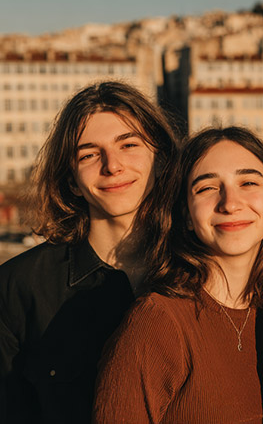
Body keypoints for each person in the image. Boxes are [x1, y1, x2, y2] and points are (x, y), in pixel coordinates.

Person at [93, 127, 263, 422]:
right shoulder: (158, 322)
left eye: (248, 182)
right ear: (187, 215)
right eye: (207, 188)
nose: (230, 203)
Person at [0, 81, 179, 423]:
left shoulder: (201, 272)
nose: (112, 165)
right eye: (89, 154)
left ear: (161, 159)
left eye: (128, 144)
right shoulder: (18, 288)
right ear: (71, 181)